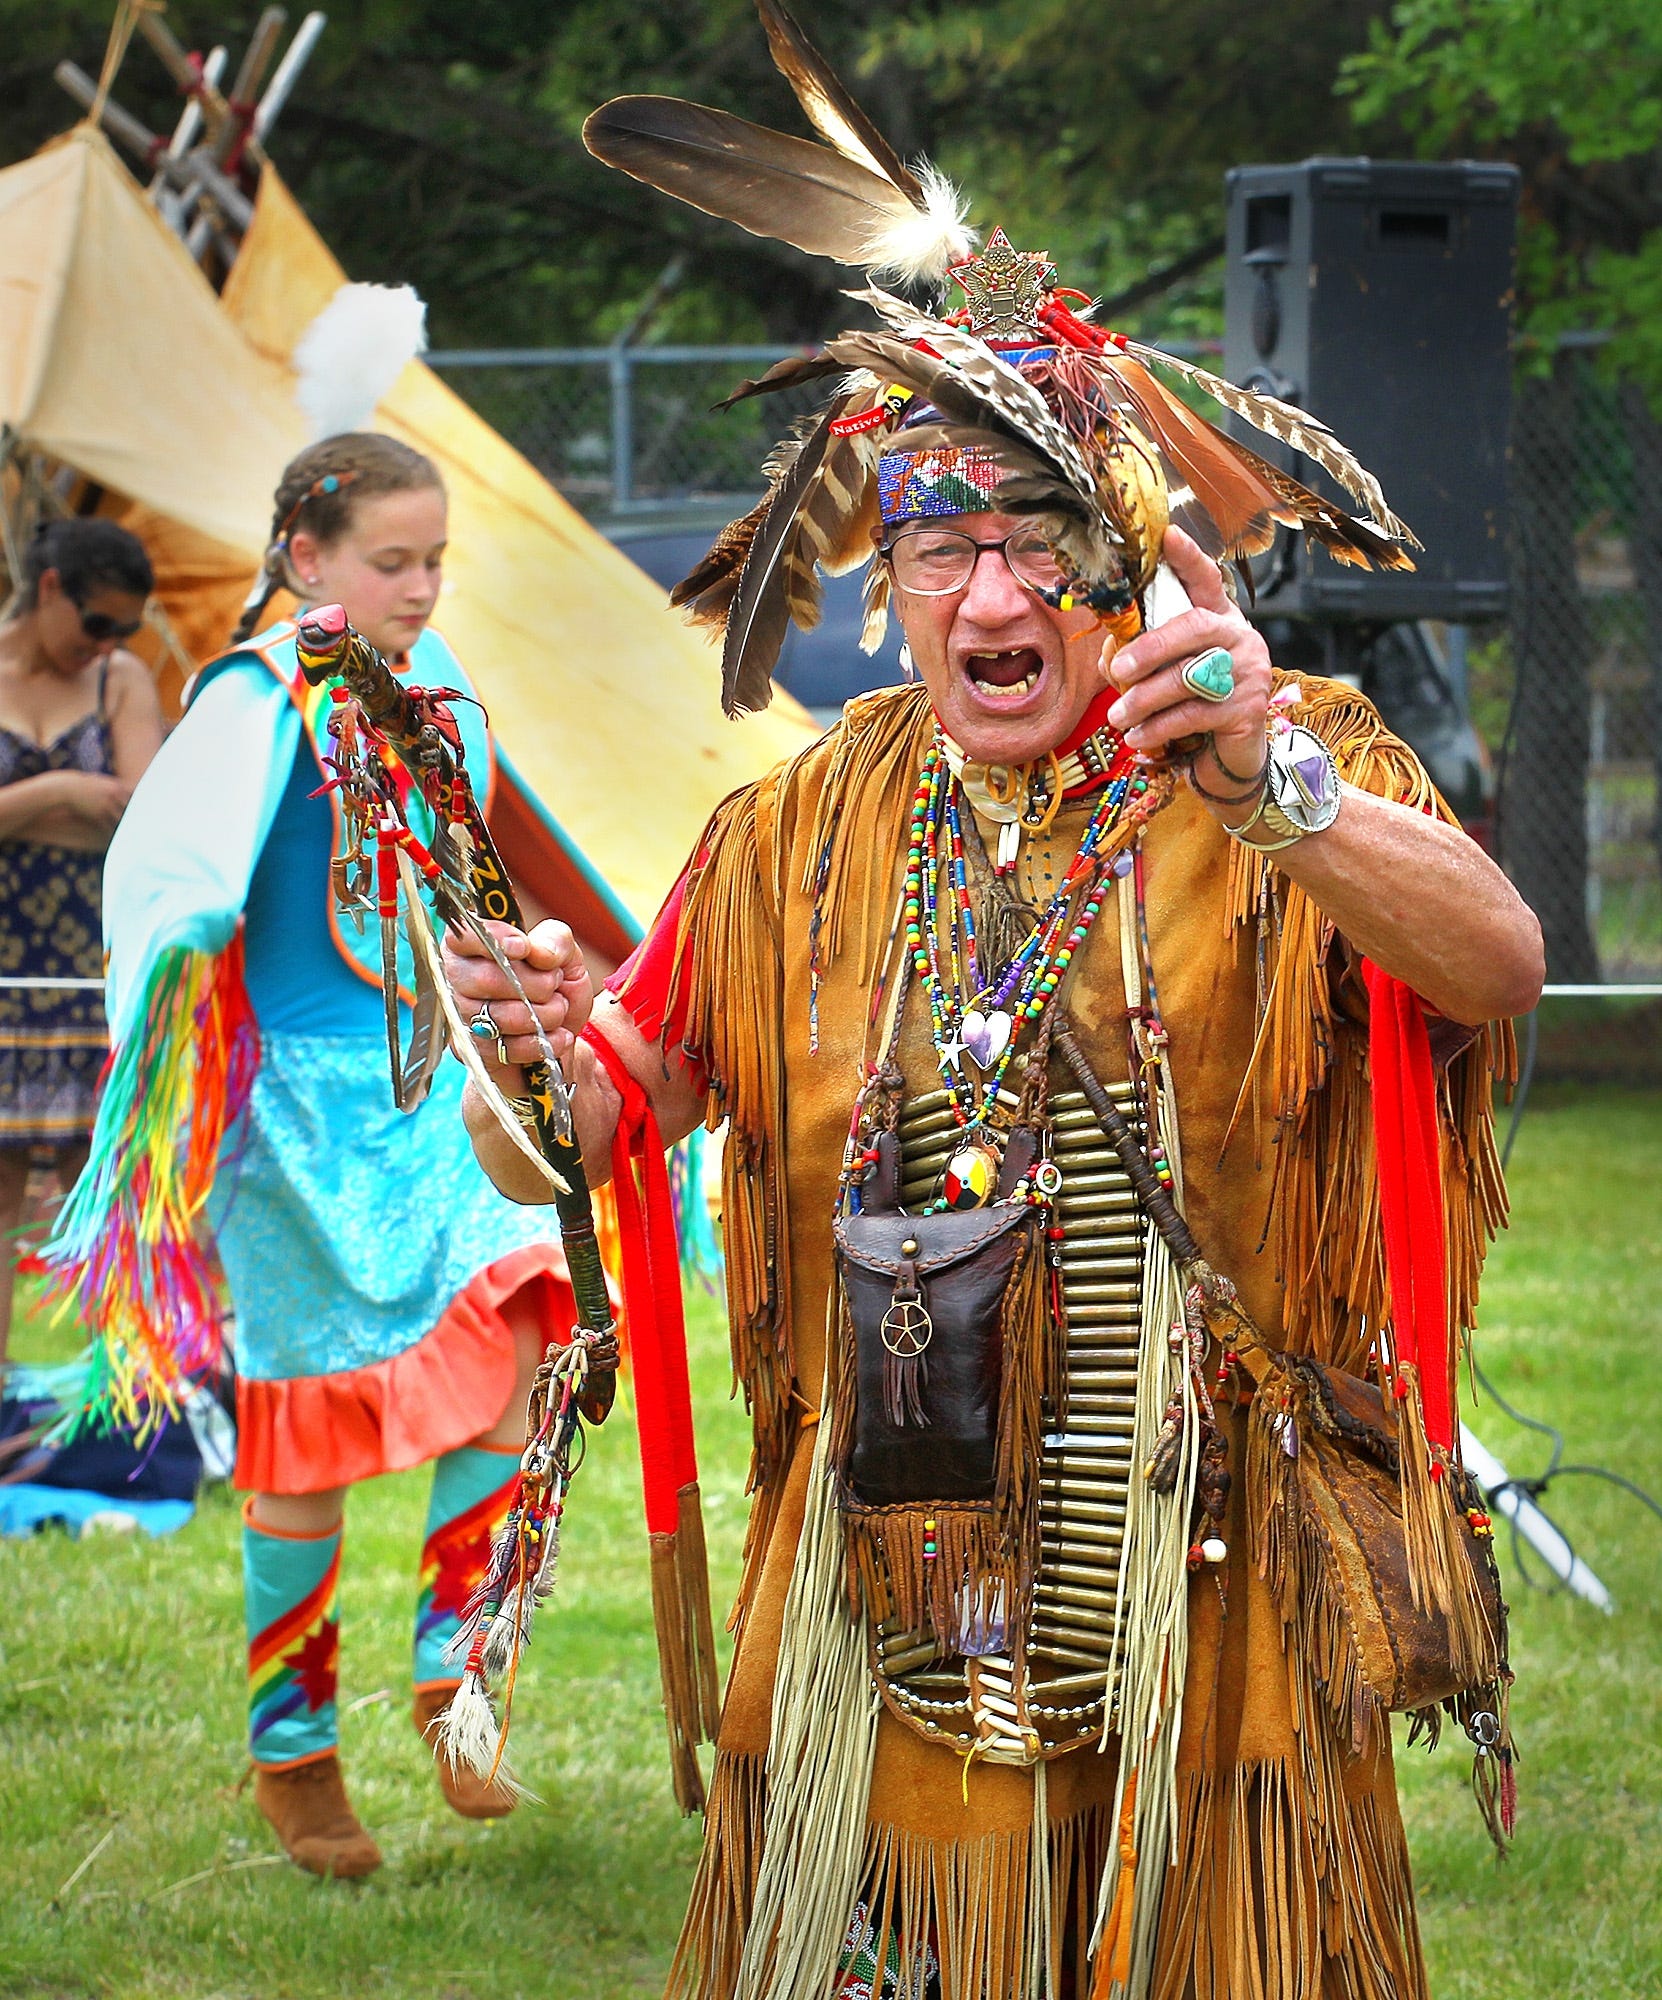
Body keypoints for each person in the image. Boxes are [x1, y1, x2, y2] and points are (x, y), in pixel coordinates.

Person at [441, 14, 1545, 1996]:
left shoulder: (1292, 756)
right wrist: (512, 1048)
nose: (993, 593)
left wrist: (1273, 787)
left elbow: (1495, 963)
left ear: (1124, 562)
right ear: (885, 576)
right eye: (944, 541)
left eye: (1043, 540)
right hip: (888, 1580)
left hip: (1221, 1593)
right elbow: (591, 1121)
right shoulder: (799, 827)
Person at [41, 434, 579, 1881]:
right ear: (306, 557)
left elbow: (506, 845)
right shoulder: (247, 698)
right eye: (391, 561)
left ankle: (449, 1675)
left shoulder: (435, 689)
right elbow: (177, 860)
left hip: (428, 1089)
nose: (420, 585)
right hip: (283, 1118)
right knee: (305, 1444)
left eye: (433, 559)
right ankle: (294, 1753)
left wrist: (596, 957)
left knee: (517, 1338)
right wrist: (188, 938)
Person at [0, 520, 162, 1370]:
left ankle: (122, 1398)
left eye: (124, 630)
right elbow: (102, 803)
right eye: (97, 622)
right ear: (50, 587)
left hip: (94, 969)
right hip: (5, 974)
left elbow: (144, 812)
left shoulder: (118, 681)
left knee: (99, 1182)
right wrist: (63, 789)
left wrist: (14, 816)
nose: (106, 643)